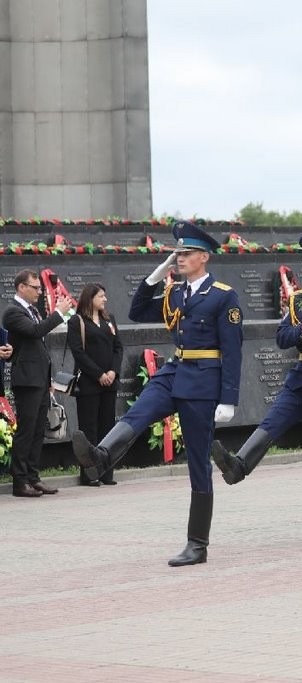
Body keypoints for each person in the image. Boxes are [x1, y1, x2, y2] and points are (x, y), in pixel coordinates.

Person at [73, 220, 243, 566]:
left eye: (187, 253)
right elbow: (136, 312)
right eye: (177, 253)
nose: (180, 258)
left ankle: (197, 543)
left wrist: (229, 399)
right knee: (139, 411)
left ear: (204, 257)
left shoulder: (223, 296)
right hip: (175, 371)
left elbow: (233, 350)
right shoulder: (175, 292)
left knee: (198, 461)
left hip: (204, 383)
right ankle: (102, 456)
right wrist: (154, 276)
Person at [210, 234, 302, 542]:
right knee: (271, 423)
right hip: (300, 378)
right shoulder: (298, 299)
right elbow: (281, 337)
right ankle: (238, 466)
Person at [2, 269, 74, 497]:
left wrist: (48, 377)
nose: (39, 292)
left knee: (36, 432)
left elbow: (36, 345)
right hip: (27, 380)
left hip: (39, 379)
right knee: (26, 430)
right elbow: (35, 332)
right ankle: (20, 482)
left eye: (40, 288)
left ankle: (33, 478)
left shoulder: (31, 310)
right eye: (36, 288)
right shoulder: (13, 312)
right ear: (21, 287)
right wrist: (59, 314)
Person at [67, 283, 124, 486]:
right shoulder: (77, 321)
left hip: (109, 382)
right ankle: (90, 475)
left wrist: (112, 372)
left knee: (108, 428)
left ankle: (106, 473)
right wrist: (98, 374)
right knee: (89, 430)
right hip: (89, 383)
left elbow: (118, 348)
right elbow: (78, 353)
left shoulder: (109, 319)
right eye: (101, 296)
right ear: (90, 298)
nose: (105, 299)